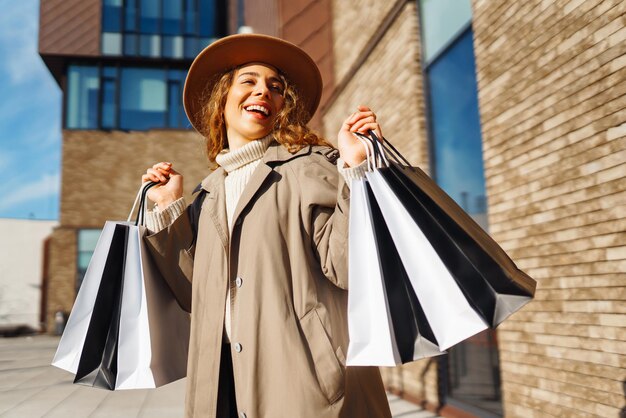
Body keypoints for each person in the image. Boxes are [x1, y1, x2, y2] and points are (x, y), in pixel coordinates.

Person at [141, 33, 391, 418]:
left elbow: (347, 268)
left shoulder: (310, 167)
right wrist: (168, 209)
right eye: (249, 81)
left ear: (282, 107)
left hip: (303, 385)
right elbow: (196, 295)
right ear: (221, 101)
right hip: (222, 386)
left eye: (275, 87)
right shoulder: (207, 195)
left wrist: (358, 171)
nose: (264, 91)